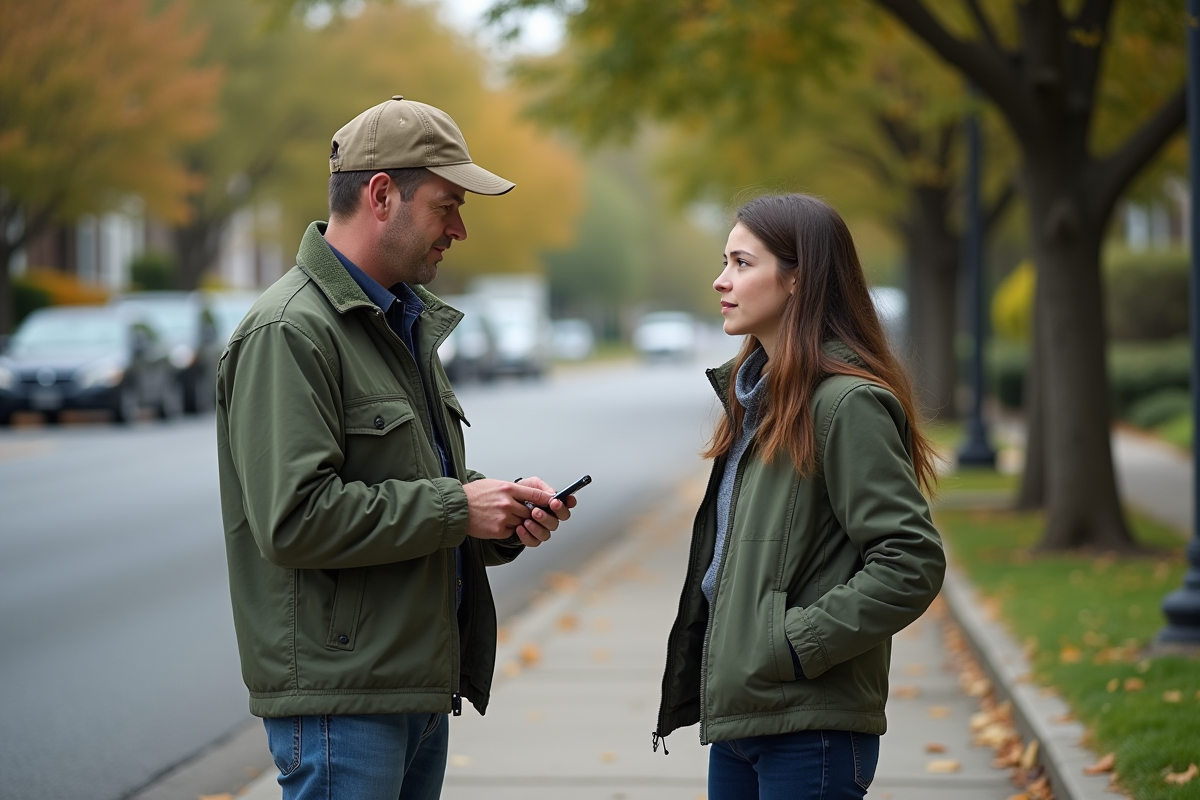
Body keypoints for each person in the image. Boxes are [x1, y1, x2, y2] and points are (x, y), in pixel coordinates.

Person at [215, 96, 575, 800]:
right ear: (382, 195)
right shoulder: (290, 330)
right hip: (343, 700)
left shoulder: (395, 318)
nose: (461, 229)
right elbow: (295, 519)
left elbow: (413, 481)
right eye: (447, 205)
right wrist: (458, 509)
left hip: (407, 685)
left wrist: (500, 516)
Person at [654, 194, 946, 800]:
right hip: (744, 717)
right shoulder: (757, 399)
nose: (721, 279)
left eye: (741, 262)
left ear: (798, 280)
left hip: (809, 725)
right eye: (725, 261)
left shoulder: (845, 404)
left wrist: (795, 644)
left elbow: (910, 561)